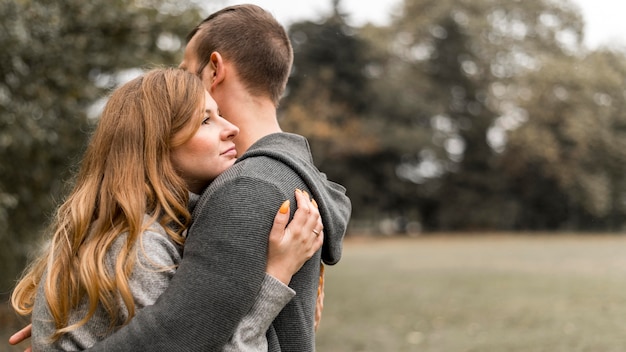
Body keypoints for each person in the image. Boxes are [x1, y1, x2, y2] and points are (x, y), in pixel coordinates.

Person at [11, 4, 351, 351]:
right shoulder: (141, 238)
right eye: (206, 120)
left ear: (215, 68)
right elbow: (175, 334)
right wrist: (70, 316)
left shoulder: (246, 189)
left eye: (188, 70)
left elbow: (175, 336)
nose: (229, 129)